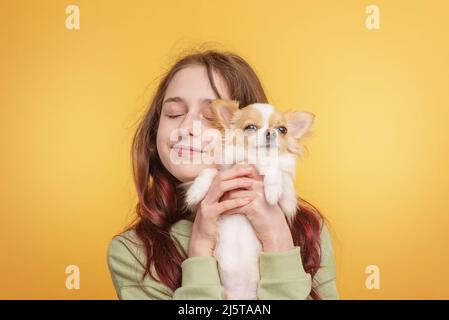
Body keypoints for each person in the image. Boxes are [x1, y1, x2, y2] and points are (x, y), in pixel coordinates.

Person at [107, 49, 339, 300]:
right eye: (174, 113)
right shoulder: (135, 251)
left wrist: (277, 238)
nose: (187, 128)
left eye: (210, 117)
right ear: (155, 130)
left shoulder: (308, 230)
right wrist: (199, 250)